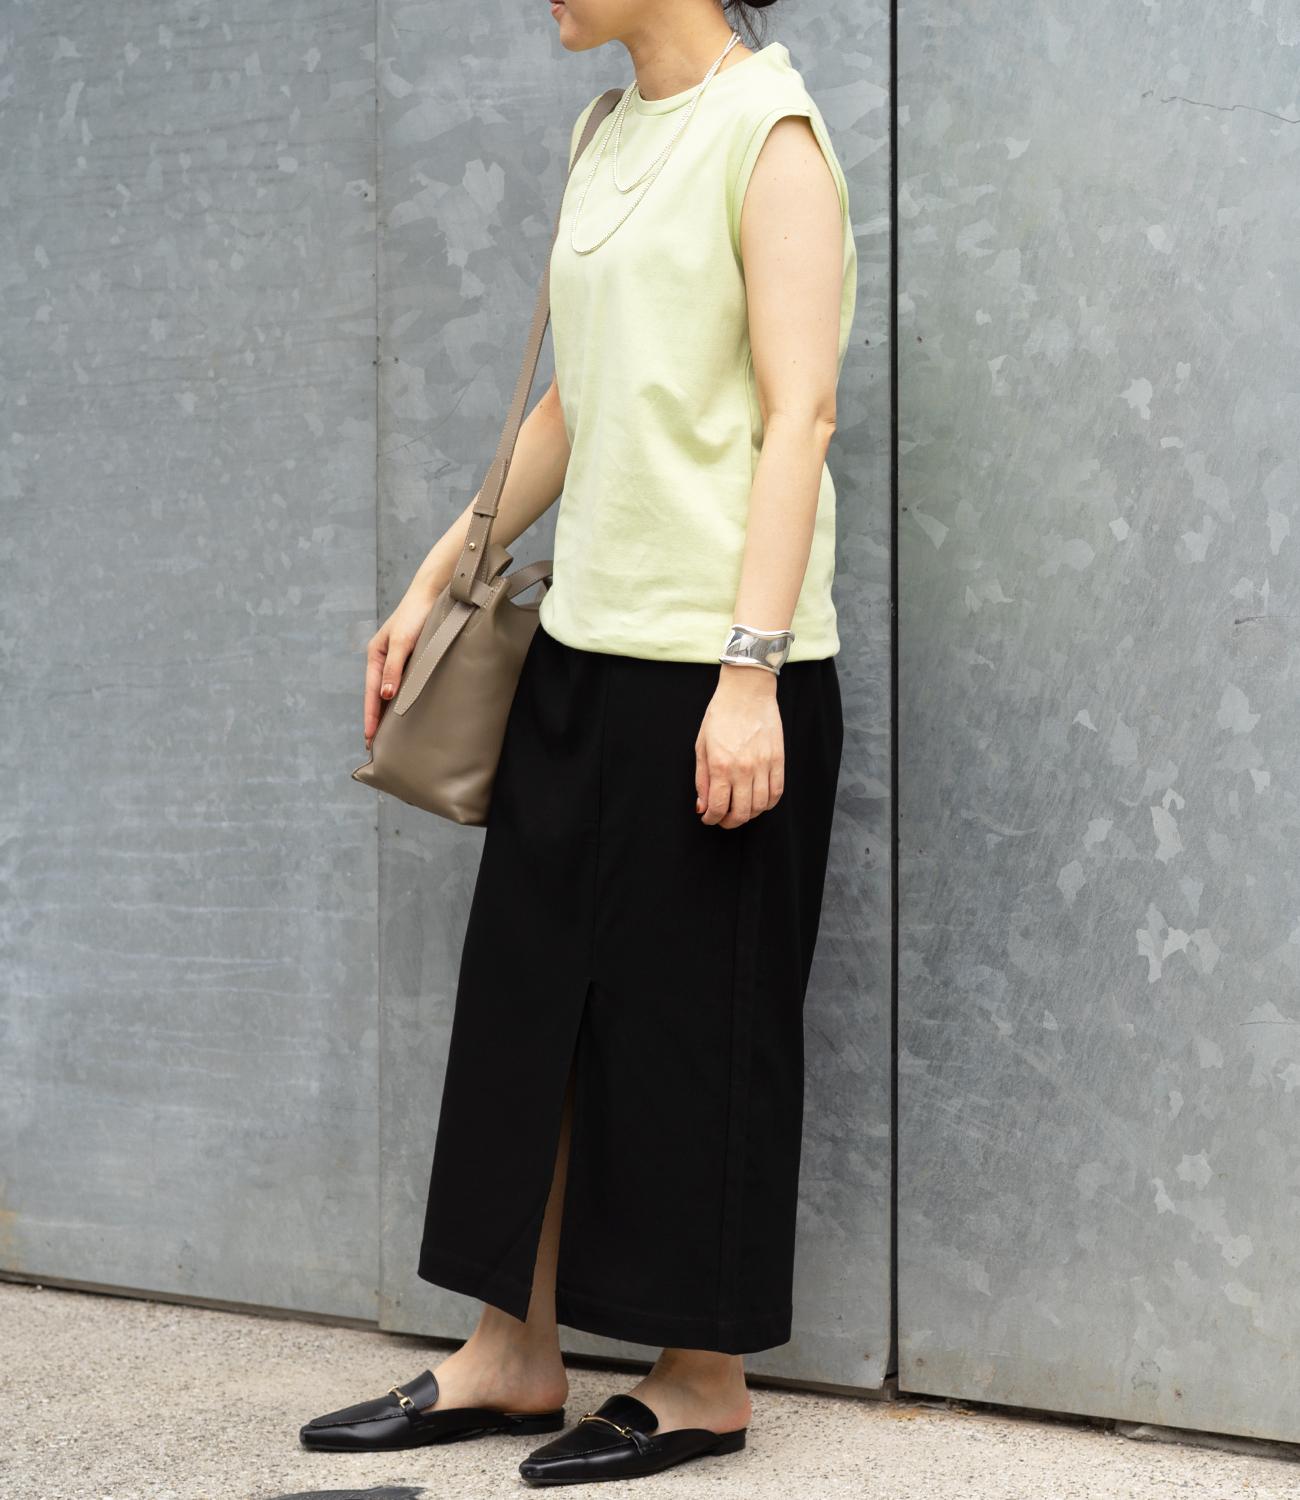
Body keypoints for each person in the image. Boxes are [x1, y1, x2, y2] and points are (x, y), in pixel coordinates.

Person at [300, 0, 857, 1485]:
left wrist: (750, 675)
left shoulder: (770, 134)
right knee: (527, 1004)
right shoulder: (604, 131)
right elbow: (572, 400)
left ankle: (704, 1380)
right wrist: (440, 578)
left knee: (696, 1028)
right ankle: (513, 1350)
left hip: (722, 668)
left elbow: (799, 416)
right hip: (584, 644)